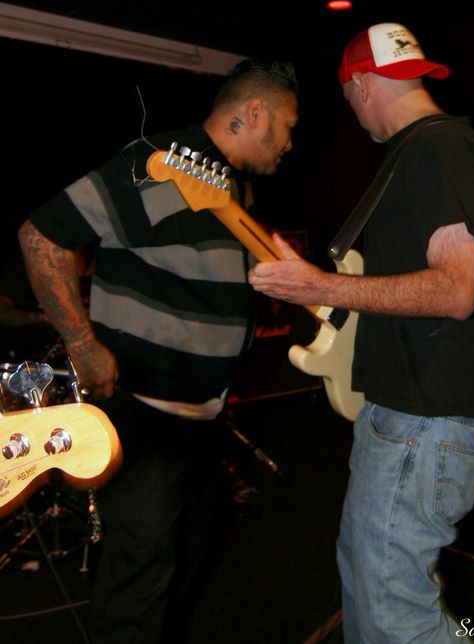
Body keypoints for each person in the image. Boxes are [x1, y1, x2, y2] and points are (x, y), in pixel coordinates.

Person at [17, 57, 298, 644]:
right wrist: (82, 343)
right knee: (139, 580)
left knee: (182, 564)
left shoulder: (230, 185)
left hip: (203, 418)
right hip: (145, 413)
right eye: (288, 126)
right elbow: (42, 234)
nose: (290, 143)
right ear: (255, 112)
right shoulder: (156, 163)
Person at [248, 22, 474, 643]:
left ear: (362, 84)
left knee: (394, 615)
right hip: (411, 416)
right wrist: (320, 284)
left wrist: (322, 287)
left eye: (348, 99)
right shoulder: (423, 150)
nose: (353, 112)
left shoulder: (437, 147)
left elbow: (455, 289)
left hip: (425, 419)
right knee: (371, 597)